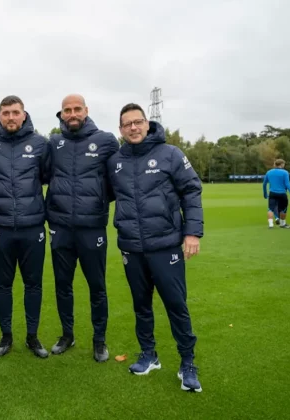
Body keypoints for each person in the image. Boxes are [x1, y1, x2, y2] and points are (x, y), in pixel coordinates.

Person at [107, 103, 203, 393]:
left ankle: (187, 363)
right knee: (141, 306)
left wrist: (193, 233)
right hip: (131, 247)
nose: (133, 128)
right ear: (121, 129)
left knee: (176, 305)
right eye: (127, 124)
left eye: (138, 122)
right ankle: (149, 355)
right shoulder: (114, 161)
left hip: (166, 245)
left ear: (147, 124)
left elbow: (191, 190)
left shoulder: (170, 154)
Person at [45, 94, 119, 361]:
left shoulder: (106, 140)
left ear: (86, 110)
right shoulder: (54, 143)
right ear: (61, 114)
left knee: (96, 286)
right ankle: (67, 335)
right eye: (67, 110)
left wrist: (97, 202)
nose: (72, 113)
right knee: (63, 285)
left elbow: (115, 180)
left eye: (77, 109)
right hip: (60, 227)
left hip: (92, 228)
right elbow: (43, 175)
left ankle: (99, 340)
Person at [0, 95, 50, 358]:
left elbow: (46, 176)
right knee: (3, 284)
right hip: (1, 226)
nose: (11, 117)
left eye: (15, 112)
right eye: (6, 112)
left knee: (33, 284)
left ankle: (32, 336)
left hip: (33, 226)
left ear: (24, 114)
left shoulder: (40, 143)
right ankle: (6, 336)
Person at [263, 159, 290, 229]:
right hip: (282, 193)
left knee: (270, 209)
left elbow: (264, 184)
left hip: (272, 193)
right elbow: (288, 185)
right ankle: (282, 224)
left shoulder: (269, 172)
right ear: (282, 164)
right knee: (283, 209)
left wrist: (265, 193)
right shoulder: (285, 172)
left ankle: (271, 225)